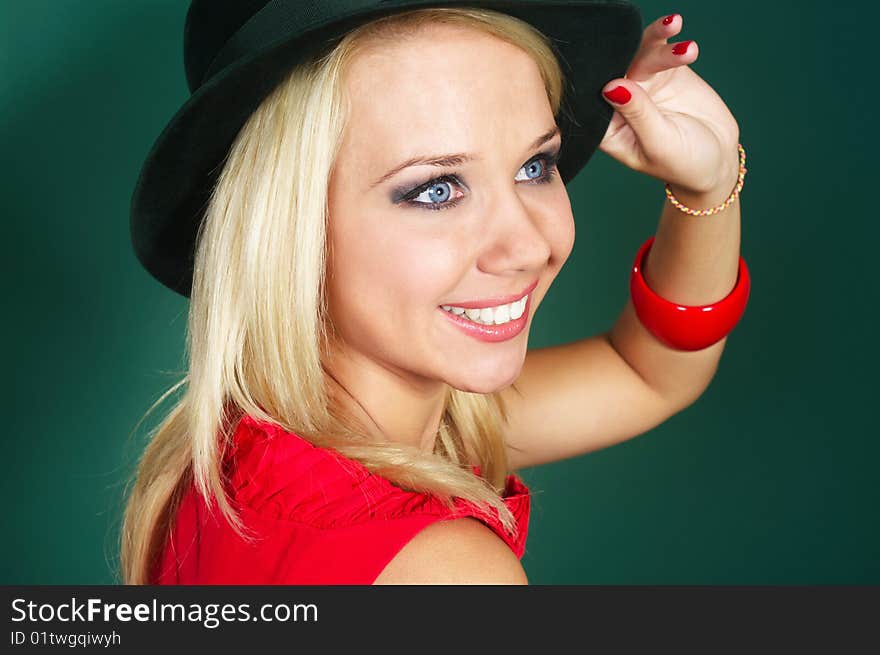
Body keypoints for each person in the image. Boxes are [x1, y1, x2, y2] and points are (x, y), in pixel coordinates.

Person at [122, 0, 749, 585]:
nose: (528, 247)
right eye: (436, 190)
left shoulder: (232, 459)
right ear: (289, 228)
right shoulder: (448, 573)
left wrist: (710, 187)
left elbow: (648, 374)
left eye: (535, 167)